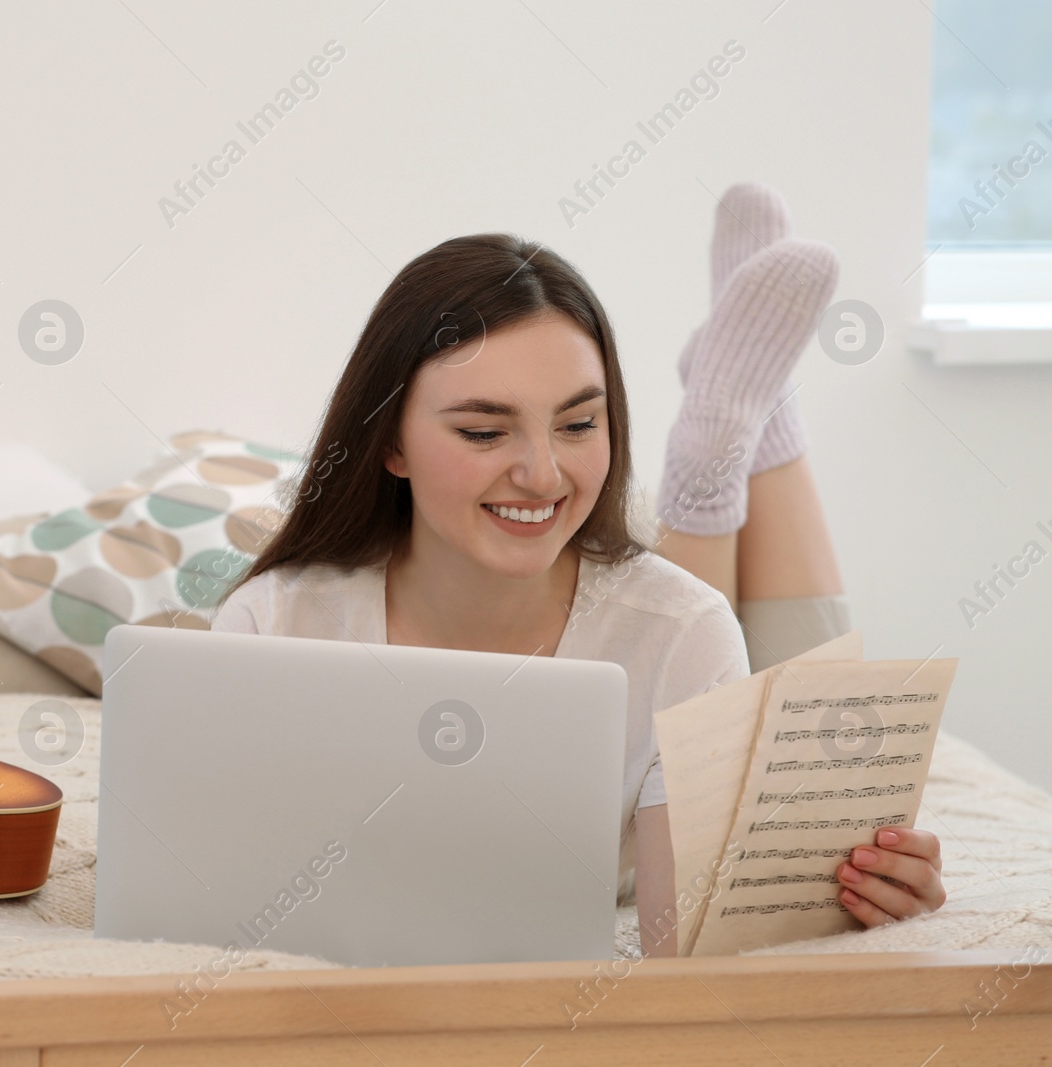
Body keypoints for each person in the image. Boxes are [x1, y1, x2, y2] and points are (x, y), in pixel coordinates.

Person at [210, 184, 946, 958]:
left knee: (773, 699)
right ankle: (739, 429)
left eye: (579, 423)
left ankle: (730, 438)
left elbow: (685, 964)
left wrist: (861, 885)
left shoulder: (681, 628)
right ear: (390, 444)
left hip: (666, 682)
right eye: (484, 430)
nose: (542, 473)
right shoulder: (272, 625)